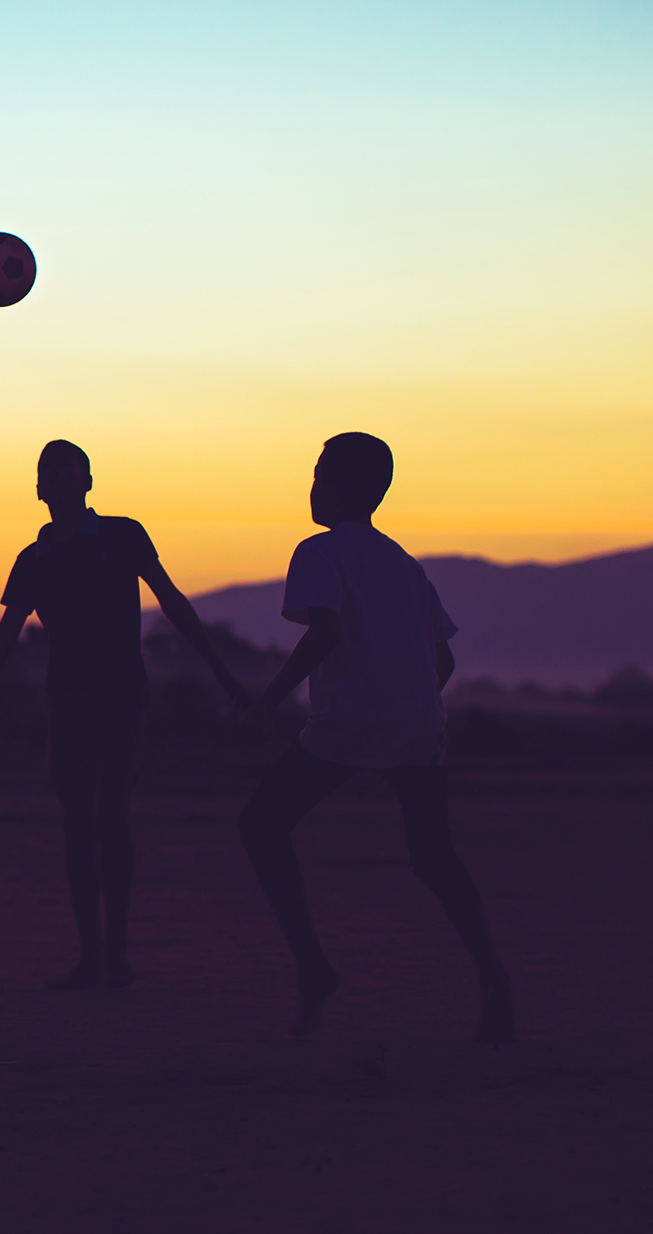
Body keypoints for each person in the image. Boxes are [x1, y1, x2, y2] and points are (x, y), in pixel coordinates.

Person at [236, 432, 513, 1043]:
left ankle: (313, 968)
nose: (310, 487)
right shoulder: (403, 563)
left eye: (315, 475)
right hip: (418, 721)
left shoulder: (317, 552)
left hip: (349, 723)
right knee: (433, 855)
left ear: (333, 487)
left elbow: (325, 632)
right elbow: (443, 661)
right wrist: (412, 705)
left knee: (260, 825)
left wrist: (265, 702)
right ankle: (493, 975)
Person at [0, 440, 247, 990]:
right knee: (78, 822)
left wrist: (220, 669)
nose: (58, 479)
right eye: (48, 472)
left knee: (110, 815)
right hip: (67, 698)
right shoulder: (34, 559)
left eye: (67, 469)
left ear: (88, 482)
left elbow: (170, 600)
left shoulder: (122, 535)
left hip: (120, 694)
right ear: (40, 489)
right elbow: (5, 635)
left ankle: (112, 948)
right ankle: (93, 953)